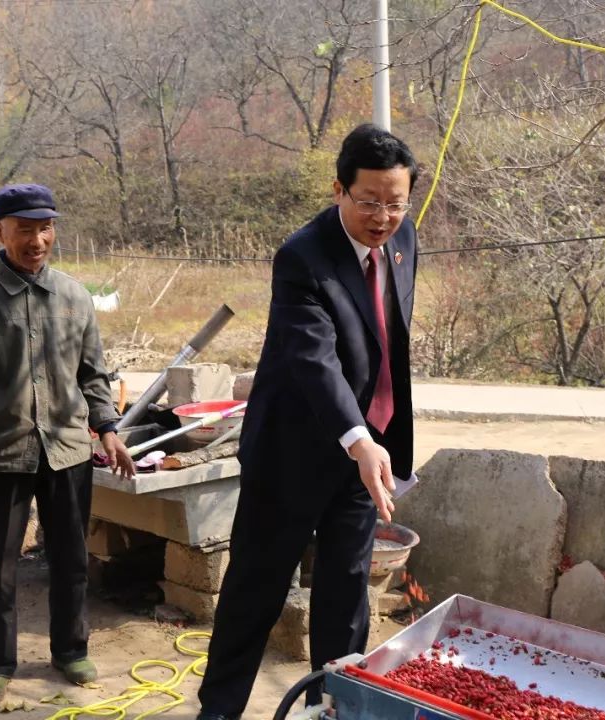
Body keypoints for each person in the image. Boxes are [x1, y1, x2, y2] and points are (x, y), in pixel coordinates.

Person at [196, 124, 419, 719]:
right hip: (293, 452)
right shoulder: (302, 257)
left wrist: (378, 439)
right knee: (257, 588)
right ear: (338, 191)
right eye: (369, 201)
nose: (382, 216)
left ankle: (335, 706)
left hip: (365, 458)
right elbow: (312, 359)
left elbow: (387, 338)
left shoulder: (402, 239)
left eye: (395, 203)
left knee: (346, 593)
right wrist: (357, 438)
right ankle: (219, 710)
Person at [0, 183, 137, 705]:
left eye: (45, 228)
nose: (37, 239)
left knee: (72, 558)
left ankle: (70, 650)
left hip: (68, 450)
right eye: (25, 229)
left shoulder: (74, 296)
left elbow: (94, 374)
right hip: (2, 454)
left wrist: (109, 430)